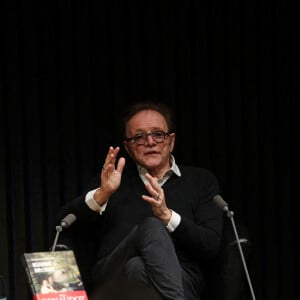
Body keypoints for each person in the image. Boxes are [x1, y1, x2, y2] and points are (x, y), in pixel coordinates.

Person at [57, 101, 223, 300]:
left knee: (137, 268)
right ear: (128, 147)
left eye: (158, 134)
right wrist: (102, 195)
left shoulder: (200, 181)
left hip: (182, 277)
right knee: (151, 226)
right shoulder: (112, 181)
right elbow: (63, 224)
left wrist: (168, 217)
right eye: (139, 137)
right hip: (114, 279)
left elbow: (211, 245)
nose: (150, 142)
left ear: (171, 141)